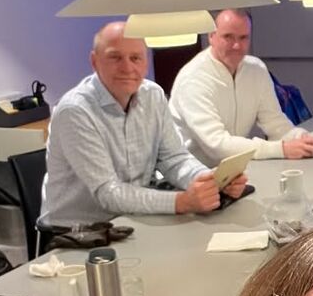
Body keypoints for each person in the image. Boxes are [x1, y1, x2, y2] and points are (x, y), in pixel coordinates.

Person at [41, 22, 247, 226]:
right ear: (94, 62)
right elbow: (108, 193)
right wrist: (182, 202)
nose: (127, 68)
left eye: (135, 58)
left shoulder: (153, 95)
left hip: (133, 220)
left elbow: (174, 158)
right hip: (76, 233)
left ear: (145, 63)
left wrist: (209, 181)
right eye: (115, 57)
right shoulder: (75, 111)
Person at [169, 9, 313, 168]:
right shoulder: (193, 79)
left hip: (234, 170)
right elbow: (217, 146)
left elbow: (275, 124)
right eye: (228, 37)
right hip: (191, 174)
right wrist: (282, 149)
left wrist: (303, 139)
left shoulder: (256, 69)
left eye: (243, 37)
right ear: (211, 36)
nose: (237, 45)